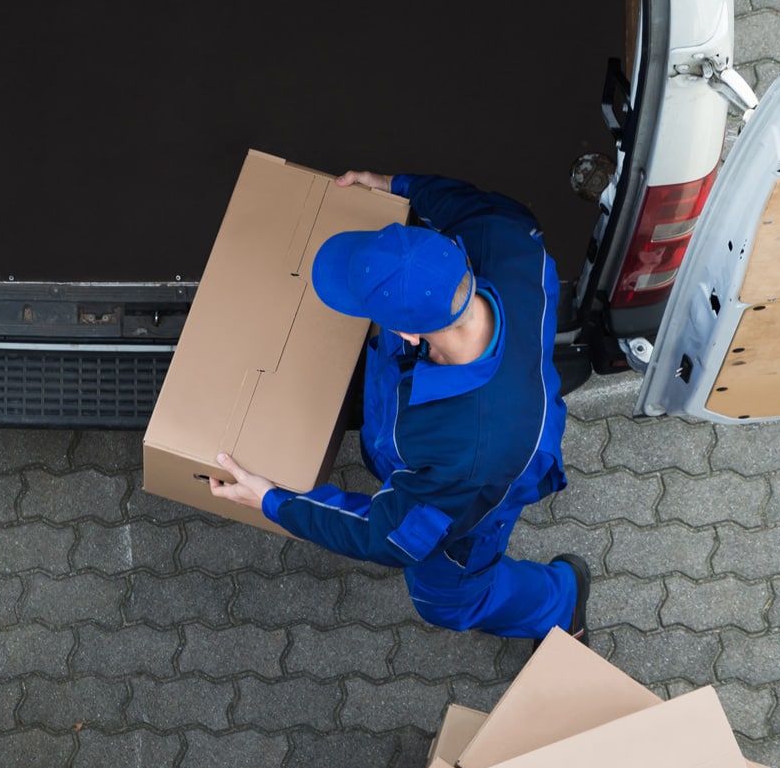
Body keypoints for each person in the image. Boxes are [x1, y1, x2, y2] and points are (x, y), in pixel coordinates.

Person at [205, 171, 588, 642]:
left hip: (484, 487)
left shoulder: (469, 454)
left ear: (407, 334)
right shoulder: (500, 235)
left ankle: (561, 600)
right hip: (475, 424)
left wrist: (273, 501)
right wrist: (396, 184)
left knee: (448, 601)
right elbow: (470, 203)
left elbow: (387, 535)